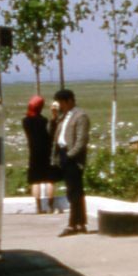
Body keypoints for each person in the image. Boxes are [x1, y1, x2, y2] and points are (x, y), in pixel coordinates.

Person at [51, 88, 89, 236]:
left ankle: (73, 224)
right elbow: (52, 131)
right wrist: (54, 118)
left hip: (72, 157)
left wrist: (70, 155)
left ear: (70, 101)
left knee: (74, 191)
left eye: (62, 102)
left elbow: (81, 140)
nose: (60, 105)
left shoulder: (80, 116)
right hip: (62, 153)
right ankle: (80, 223)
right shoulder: (63, 116)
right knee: (73, 190)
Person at [21, 94, 55, 214]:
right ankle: (50, 206)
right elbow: (50, 133)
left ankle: (39, 207)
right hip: (46, 150)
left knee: (36, 179)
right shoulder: (44, 121)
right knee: (48, 179)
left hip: (33, 150)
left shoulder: (25, 121)